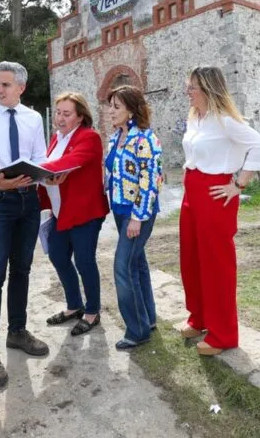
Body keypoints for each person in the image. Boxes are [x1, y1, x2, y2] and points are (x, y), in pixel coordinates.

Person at [0, 61, 50, 389]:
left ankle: (17, 331)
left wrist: (47, 173)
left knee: (23, 270)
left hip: (28, 202)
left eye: (5, 85)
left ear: (21, 88)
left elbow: (41, 156)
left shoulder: (32, 118)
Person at [179, 66, 260, 356]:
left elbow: (259, 145)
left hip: (214, 195)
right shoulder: (196, 119)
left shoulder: (225, 120)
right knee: (191, 259)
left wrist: (239, 184)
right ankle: (200, 318)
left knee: (217, 265)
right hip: (191, 193)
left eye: (192, 87)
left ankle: (223, 334)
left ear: (207, 89)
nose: (188, 91)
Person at [38, 92, 109, 336]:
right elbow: (53, 167)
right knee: (57, 255)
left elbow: (71, 161)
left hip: (85, 212)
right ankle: (74, 305)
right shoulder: (57, 138)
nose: (60, 118)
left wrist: (33, 169)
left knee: (84, 261)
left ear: (80, 117)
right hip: (61, 212)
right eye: (58, 112)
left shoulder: (90, 137)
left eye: (66, 113)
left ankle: (92, 311)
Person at [104, 85, 163, 351]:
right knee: (137, 264)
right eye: (110, 106)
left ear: (131, 109)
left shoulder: (146, 139)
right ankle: (147, 319)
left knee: (123, 268)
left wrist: (138, 218)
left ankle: (137, 331)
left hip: (138, 214)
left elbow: (150, 182)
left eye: (116, 107)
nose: (111, 111)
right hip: (119, 211)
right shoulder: (115, 138)